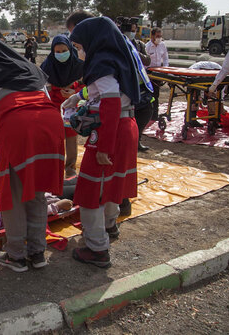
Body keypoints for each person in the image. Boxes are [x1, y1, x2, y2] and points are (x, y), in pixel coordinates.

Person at [0, 34, 65, 272]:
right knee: (37, 191)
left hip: (17, 126)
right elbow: (46, 98)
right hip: (50, 124)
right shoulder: (27, 66)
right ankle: (38, 253)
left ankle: (16, 255)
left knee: (13, 194)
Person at [62, 16, 140, 268]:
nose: (79, 52)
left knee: (91, 190)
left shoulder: (102, 62)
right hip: (126, 126)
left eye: (78, 46)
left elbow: (110, 101)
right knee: (112, 184)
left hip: (111, 130)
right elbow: (108, 93)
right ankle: (109, 226)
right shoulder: (120, 57)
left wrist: (104, 146)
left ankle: (96, 248)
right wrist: (79, 97)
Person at [40, 35, 84, 178]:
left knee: (71, 138)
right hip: (52, 107)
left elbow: (88, 87)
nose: (60, 54)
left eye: (64, 50)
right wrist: (54, 91)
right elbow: (42, 89)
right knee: (53, 139)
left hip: (71, 105)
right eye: (57, 52)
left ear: (70, 49)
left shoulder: (79, 66)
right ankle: (53, 169)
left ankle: (70, 169)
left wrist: (75, 93)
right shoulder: (46, 66)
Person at [117, 17, 154, 151]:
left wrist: (134, 52)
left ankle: (136, 140)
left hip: (140, 85)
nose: (131, 33)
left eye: (133, 30)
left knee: (146, 111)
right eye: (129, 30)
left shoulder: (138, 45)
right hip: (124, 85)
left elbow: (148, 61)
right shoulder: (117, 43)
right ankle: (125, 142)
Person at [145, 27, 169, 121]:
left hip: (159, 72)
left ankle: (154, 115)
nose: (159, 38)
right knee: (150, 95)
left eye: (160, 36)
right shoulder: (147, 47)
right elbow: (143, 62)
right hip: (149, 73)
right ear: (152, 36)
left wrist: (166, 69)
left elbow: (166, 58)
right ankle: (149, 114)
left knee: (156, 95)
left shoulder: (162, 45)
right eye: (157, 36)